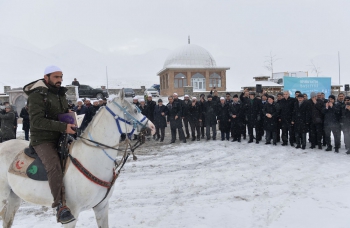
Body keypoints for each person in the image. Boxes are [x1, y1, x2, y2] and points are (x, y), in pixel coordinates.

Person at [23, 65, 75, 224]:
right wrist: (63, 127)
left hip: (61, 136)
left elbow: (63, 114)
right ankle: (60, 206)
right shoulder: (37, 95)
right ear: (46, 78)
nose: (59, 80)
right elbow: (37, 121)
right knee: (54, 166)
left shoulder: (60, 94)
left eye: (61, 77)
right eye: (56, 77)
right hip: (43, 140)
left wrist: (72, 121)